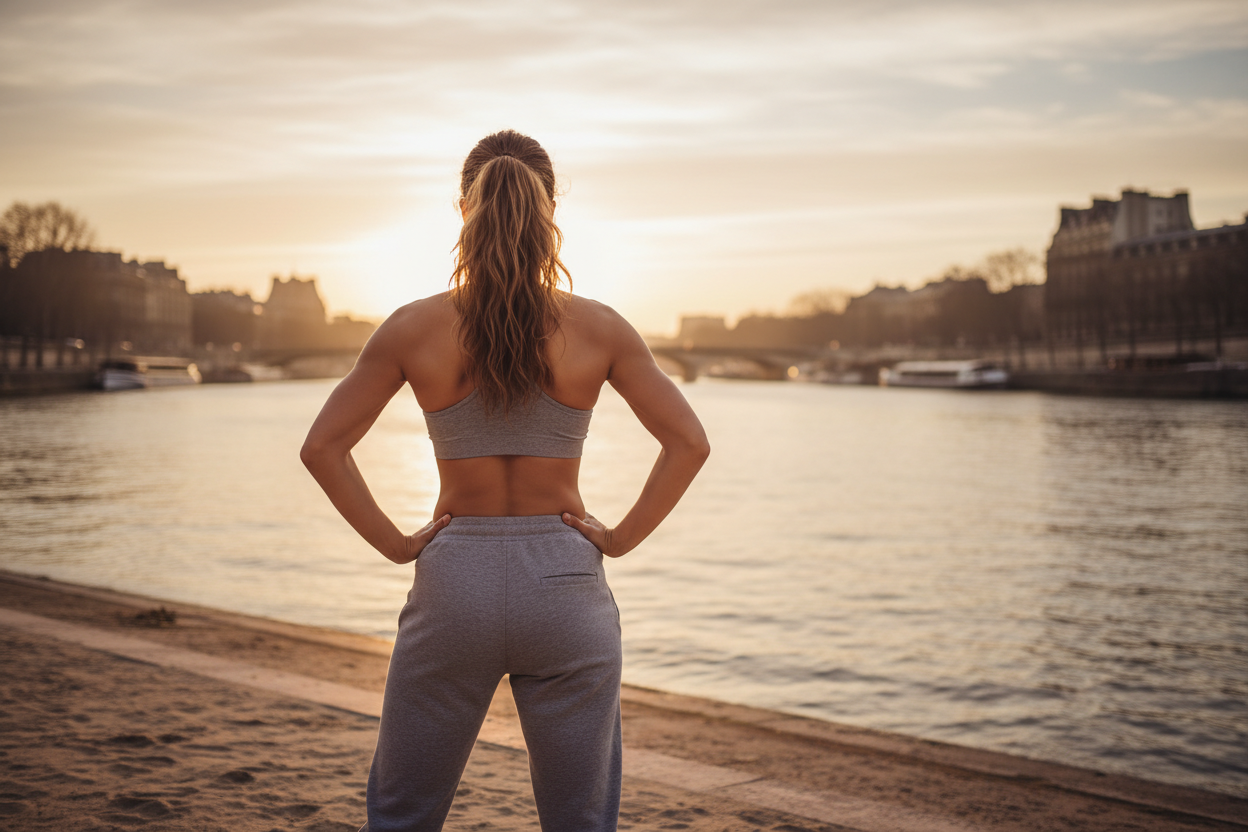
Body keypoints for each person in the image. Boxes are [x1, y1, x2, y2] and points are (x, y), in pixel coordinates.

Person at [300, 129, 710, 832]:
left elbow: (323, 448)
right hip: (564, 580)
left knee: (402, 814)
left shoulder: (412, 327)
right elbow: (689, 443)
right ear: (550, 209)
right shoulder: (601, 328)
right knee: (580, 820)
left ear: (464, 207)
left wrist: (398, 545)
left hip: (455, 576)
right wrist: (619, 538)